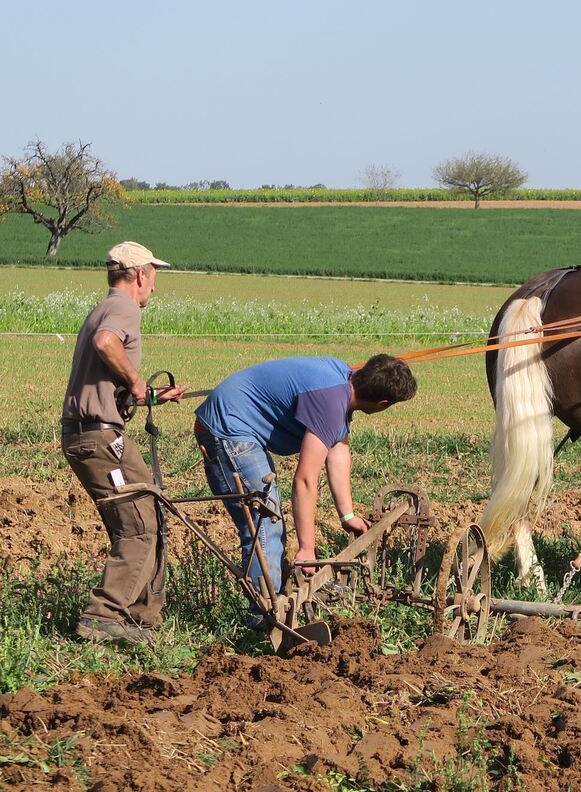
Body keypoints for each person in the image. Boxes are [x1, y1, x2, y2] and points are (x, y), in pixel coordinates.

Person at [193, 354, 416, 628]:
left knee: (268, 519)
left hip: (237, 419)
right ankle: (262, 620)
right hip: (228, 427)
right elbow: (306, 480)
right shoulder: (330, 402)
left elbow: (338, 450)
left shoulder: (344, 379)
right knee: (264, 522)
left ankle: (274, 603)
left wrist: (347, 515)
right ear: (383, 404)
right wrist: (307, 548)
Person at [63, 242, 186, 644]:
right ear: (140, 275)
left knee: (147, 513)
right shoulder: (123, 308)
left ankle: (138, 619)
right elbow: (105, 343)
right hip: (99, 437)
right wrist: (136, 381)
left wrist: (148, 396)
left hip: (95, 433)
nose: (154, 285)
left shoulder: (103, 306)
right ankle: (104, 616)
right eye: (154, 276)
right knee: (139, 526)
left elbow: (104, 376)